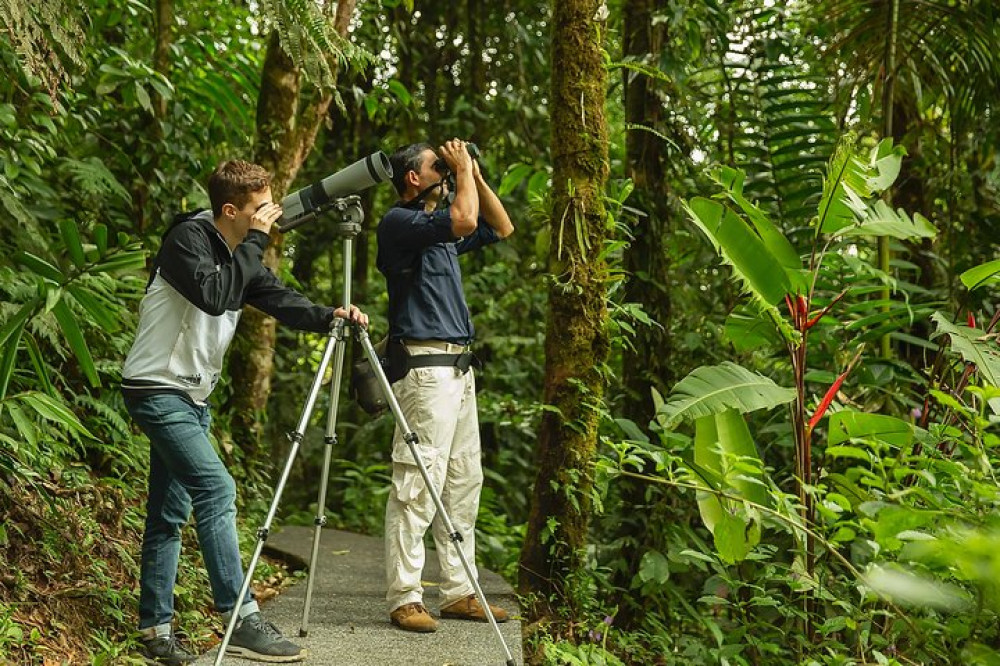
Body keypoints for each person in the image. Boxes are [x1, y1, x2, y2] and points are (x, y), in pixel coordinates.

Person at [121, 159, 368, 664]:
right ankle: (241, 618)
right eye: (259, 210)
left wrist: (330, 317)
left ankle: (156, 633)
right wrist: (256, 241)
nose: (269, 217)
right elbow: (214, 297)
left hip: (192, 397)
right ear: (230, 210)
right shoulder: (187, 240)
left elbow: (279, 300)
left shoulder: (240, 255)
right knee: (217, 488)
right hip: (156, 389)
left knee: (168, 515)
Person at [376, 139, 514, 633]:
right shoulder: (401, 223)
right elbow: (462, 220)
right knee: (418, 481)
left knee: (462, 481)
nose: (448, 168)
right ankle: (405, 596)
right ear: (413, 177)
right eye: (438, 164)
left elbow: (500, 225)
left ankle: (459, 591)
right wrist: (459, 176)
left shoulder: (441, 229)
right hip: (425, 367)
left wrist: (469, 171)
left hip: (459, 369)